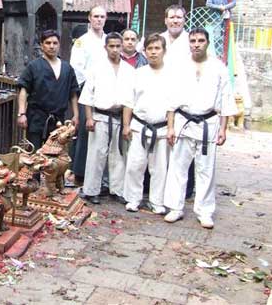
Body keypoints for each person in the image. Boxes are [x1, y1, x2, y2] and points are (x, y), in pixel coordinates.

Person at [163, 28, 237, 229]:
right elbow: (171, 99)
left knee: (206, 170)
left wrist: (223, 129)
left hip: (208, 123)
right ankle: (175, 208)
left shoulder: (218, 67)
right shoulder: (180, 66)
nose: (196, 44)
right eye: (193, 40)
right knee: (177, 167)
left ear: (208, 43)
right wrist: (170, 127)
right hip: (182, 121)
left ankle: (205, 211)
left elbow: (225, 99)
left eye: (201, 40)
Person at [79, 32, 134, 204]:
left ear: (122, 46)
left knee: (118, 155)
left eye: (118, 46)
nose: (115, 49)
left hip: (119, 117)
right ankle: (91, 190)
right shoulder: (97, 68)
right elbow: (88, 95)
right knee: (97, 154)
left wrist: (126, 125)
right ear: (105, 47)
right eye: (112, 46)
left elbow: (129, 100)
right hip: (100, 117)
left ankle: (117, 189)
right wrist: (89, 118)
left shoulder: (129, 70)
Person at [122, 33, 169, 214]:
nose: (153, 52)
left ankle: (157, 201)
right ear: (145, 51)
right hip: (139, 125)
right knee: (135, 165)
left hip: (162, 127)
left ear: (164, 51)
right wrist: (126, 125)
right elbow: (128, 102)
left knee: (159, 168)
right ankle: (133, 198)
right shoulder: (138, 74)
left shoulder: (171, 74)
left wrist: (172, 127)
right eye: (150, 48)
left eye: (157, 48)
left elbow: (173, 105)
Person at [17, 29, 79, 151]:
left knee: (55, 158)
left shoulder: (67, 68)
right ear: (42, 45)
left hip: (58, 120)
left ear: (59, 45)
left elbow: (73, 93)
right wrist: (22, 113)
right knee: (34, 156)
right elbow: (24, 89)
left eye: (55, 43)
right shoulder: (34, 66)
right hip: (36, 118)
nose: (52, 46)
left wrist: (76, 115)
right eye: (48, 43)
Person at [69, 6, 108, 187]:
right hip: (88, 90)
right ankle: (80, 173)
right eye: (95, 16)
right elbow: (77, 68)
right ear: (89, 18)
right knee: (86, 130)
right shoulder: (82, 42)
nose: (99, 20)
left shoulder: (110, 40)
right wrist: (92, 83)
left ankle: (101, 176)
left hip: (108, 91)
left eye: (102, 17)